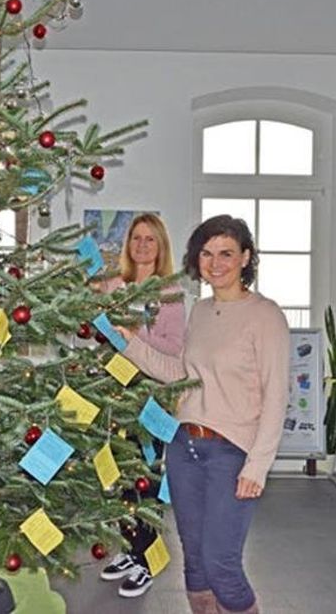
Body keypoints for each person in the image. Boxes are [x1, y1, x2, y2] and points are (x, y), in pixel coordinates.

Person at [116, 214, 289, 614]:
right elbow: (181, 373)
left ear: (246, 257)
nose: (216, 263)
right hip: (183, 448)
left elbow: (276, 396)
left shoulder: (265, 316)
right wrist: (129, 343)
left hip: (231, 454)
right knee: (194, 564)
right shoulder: (199, 311)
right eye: (207, 253)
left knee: (221, 565)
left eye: (227, 253)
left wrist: (257, 466)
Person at [96, 213, 185, 598]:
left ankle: (148, 560)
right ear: (128, 245)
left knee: (147, 480)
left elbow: (174, 347)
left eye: (150, 239)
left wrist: (136, 336)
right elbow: (98, 333)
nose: (143, 245)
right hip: (114, 392)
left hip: (151, 396)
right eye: (137, 238)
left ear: (161, 246)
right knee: (118, 476)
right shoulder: (114, 285)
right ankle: (130, 550)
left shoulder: (170, 293)